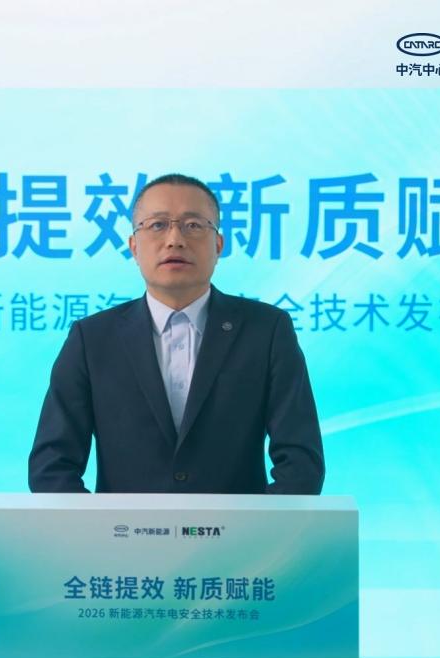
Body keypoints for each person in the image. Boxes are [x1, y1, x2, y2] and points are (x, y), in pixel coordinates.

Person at [28, 173, 324, 494]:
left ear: (218, 245)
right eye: (157, 225)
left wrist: (256, 525)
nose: (174, 240)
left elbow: (301, 463)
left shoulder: (266, 330)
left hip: (238, 528)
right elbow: (51, 466)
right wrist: (102, 525)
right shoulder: (92, 339)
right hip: (125, 528)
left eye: (193, 225)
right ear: (134, 247)